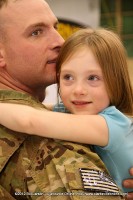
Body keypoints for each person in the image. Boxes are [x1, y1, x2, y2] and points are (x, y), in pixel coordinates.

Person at [0, 0, 132, 199]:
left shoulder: (107, 122)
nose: (60, 41)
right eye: (36, 32)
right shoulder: (51, 147)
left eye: (55, 27)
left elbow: (36, 116)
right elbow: (30, 119)